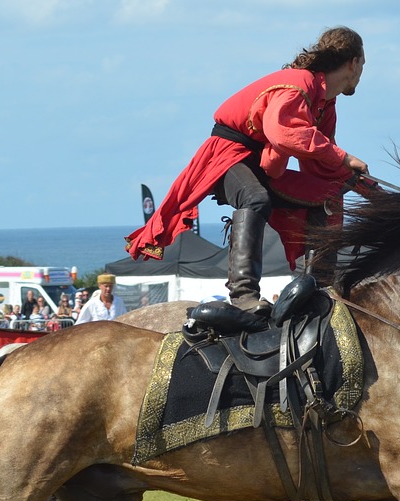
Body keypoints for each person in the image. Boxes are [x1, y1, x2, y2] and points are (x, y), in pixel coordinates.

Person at [125, 26, 371, 314]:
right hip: (227, 155)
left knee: (325, 195)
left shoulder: (325, 104)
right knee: (256, 198)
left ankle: (319, 289)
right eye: (364, 64)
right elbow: (284, 133)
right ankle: (243, 296)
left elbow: (319, 159)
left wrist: (364, 186)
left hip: (259, 163)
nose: (363, 71)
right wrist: (344, 158)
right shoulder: (299, 84)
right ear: (353, 62)